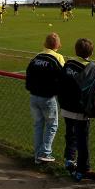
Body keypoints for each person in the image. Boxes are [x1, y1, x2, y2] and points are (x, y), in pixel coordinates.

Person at [58, 38, 95, 181]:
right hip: (80, 111)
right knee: (82, 140)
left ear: (75, 50)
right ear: (91, 53)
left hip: (66, 108)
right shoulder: (94, 69)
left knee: (70, 135)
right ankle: (82, 170)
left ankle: (69, 160)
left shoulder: (68, 64)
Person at [25, 32, 65, 163]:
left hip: (33, 97)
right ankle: (45, 153)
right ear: (58, 45)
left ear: (44, 44)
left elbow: (28, 72)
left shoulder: (37, 56)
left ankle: (37, 156)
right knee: (52, 125)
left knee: (38, 125)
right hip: (47, 98)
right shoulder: (58, 57)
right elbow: (64, 76)